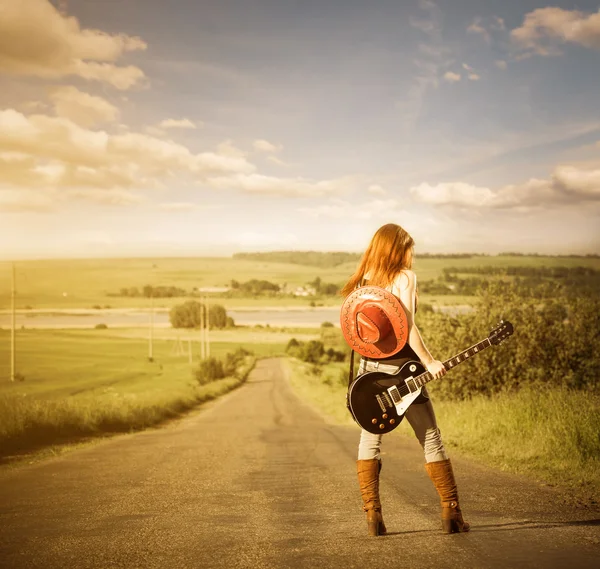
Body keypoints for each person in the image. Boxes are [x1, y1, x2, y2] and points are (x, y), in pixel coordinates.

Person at [340, 223, 470, 537]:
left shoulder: (364, 280)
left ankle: (373, 517)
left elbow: (357, 333)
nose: (411, 254)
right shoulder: (405, 277)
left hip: (370, 371)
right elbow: (408, 328)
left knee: (369, 440)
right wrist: (429, 361)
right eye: (408, 247)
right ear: (397, 249)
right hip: (404, 370)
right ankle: (450, 513)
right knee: (430, 438)